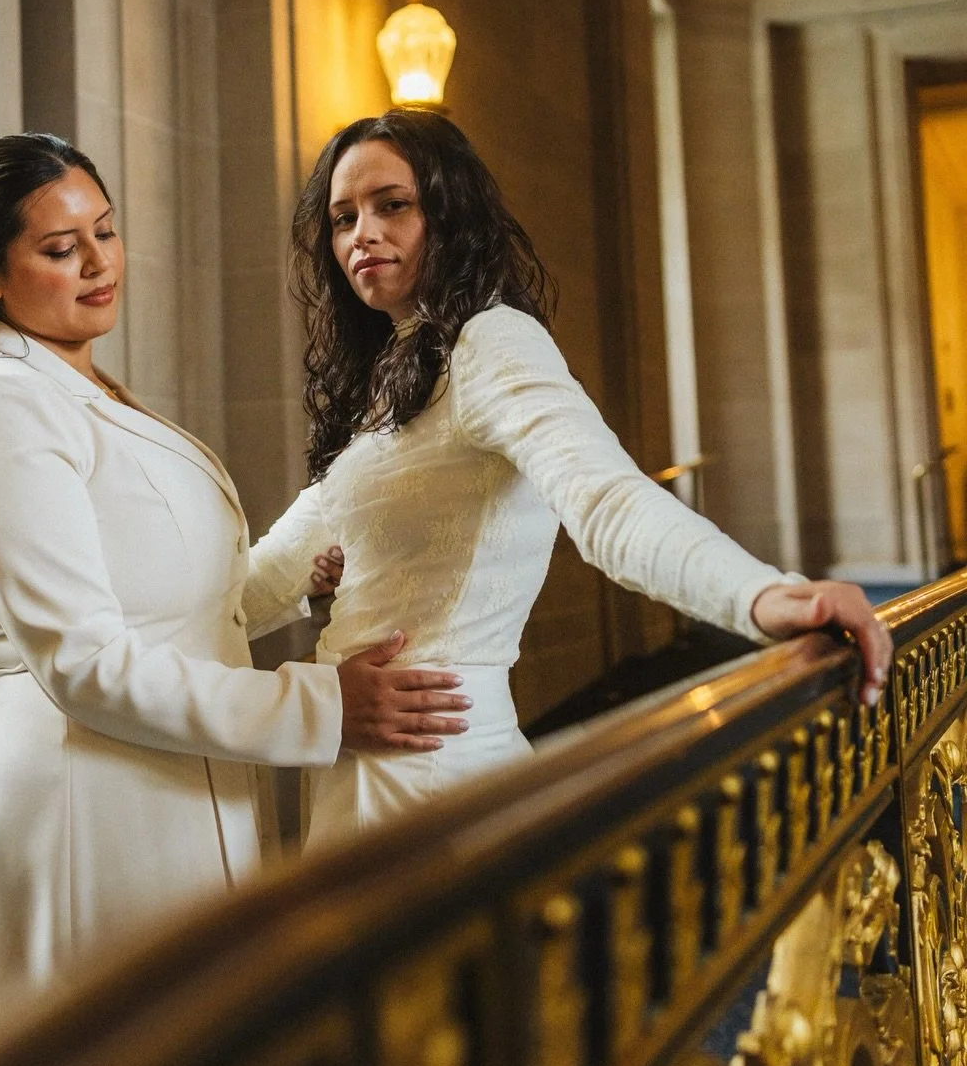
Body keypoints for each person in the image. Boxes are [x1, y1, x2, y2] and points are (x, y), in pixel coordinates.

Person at [0, 133, 469, 1037]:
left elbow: (174, 599)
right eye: (58, 248)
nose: (97, 264)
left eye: (107, 233)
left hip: (168, 774)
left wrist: (294, 585)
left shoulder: (86, 394)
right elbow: (83, 662)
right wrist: (322, 708)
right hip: (82, 799)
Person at [247, 110, 894, 848]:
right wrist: (117, 635)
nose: (361, 233)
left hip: (431, 762)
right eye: (342, 218)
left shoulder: (490, 342)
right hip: (358, 759)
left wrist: (762, 595)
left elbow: (606, 500)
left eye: (392, 205)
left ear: (450, 213)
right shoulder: (387, 377)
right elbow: (270, 574)